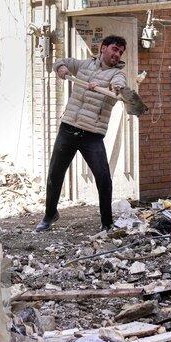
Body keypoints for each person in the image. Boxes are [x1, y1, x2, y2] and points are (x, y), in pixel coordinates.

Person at [37, 35, 128, 232]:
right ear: (103, 48)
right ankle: (50, 215)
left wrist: (114, 88)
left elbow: (119, 85)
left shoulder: (117, 74)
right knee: (55, 174)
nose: (117, 54)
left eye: (120, 52)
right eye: (114, 49)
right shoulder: (84, 65)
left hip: (92, 134)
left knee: (103, 179)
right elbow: (60, 61)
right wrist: (61, 69)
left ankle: (107, 223)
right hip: (69, 127)